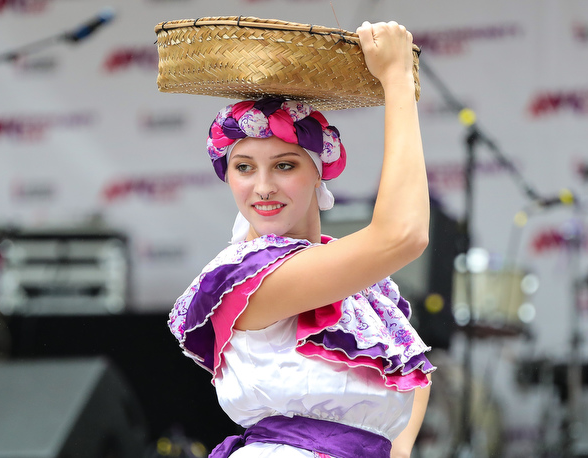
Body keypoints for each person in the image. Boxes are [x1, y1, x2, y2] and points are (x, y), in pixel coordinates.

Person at [169, 21, 434, 458]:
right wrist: (397, 81)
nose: (263, 186)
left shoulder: (362, 285)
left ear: (319, 171)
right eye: (244, 167)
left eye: (285, 165)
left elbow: (411, 376)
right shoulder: (248, 275)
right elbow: (403, 234)